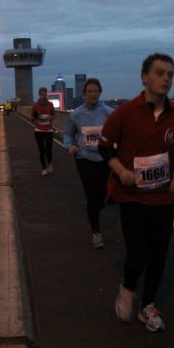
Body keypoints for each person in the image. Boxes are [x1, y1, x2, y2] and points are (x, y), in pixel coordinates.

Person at [98, 53, 174, 332]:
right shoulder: (126, 112)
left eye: (170, 74)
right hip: (132, 196)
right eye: (160, 73)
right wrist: (120, 170)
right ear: (144, 77)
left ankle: (148, 305)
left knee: (159, 254)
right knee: (138, 251)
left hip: (162, 197)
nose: (166, 79)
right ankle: (128, 287)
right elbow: (105, 146)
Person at [63, 78, 114, 249]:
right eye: (89, 91)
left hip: (104, 158)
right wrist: (70, 146)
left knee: (104, 194)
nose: (92, 94)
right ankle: (96, 233)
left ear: (100, 92)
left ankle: (93, 206)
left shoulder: (109, 112)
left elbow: (119, 131)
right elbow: (68, 133)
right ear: (84, 94)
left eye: (95, 91)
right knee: (92, 192)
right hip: (84, 158)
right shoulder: (76, 114)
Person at [31, 87, 56, 176]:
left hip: (49, 130)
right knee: (42, 151)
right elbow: (32, 118)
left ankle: (49, 164)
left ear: (46, 94)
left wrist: (50, 117)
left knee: (49, 150)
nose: (43, 96)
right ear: (39, 95)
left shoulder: (50, 104)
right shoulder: (35, 105)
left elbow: (54, 115)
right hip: (38, 131)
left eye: (45, 94)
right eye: (42, 94)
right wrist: (35, 118)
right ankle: (44, 168)